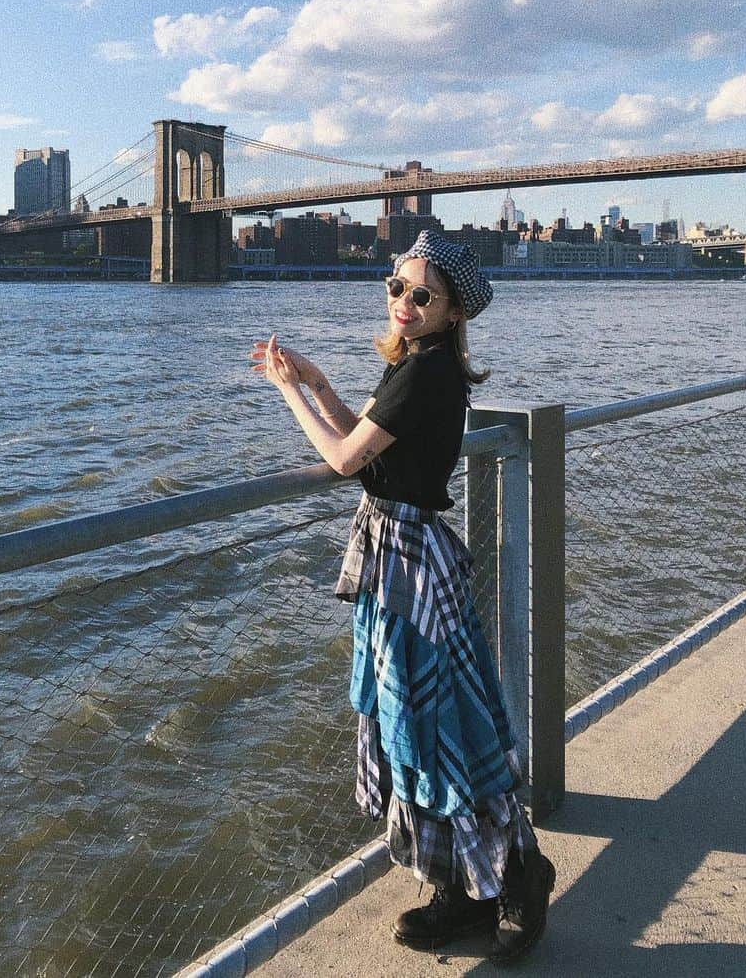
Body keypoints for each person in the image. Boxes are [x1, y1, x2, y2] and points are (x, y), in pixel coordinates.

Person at [250, 231, 554, 963]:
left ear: (452, 312)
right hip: (401, 560)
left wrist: (287, 390)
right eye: (397, 287)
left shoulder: (428, 375)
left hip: (411, 563)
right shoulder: (415, 365)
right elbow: (361, 435)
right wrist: (319, 382)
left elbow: (343, 457)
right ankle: (461, 889)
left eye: (423, 296)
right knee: (425, 729)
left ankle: (516, 879)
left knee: (440, 732)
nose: (404, 303)